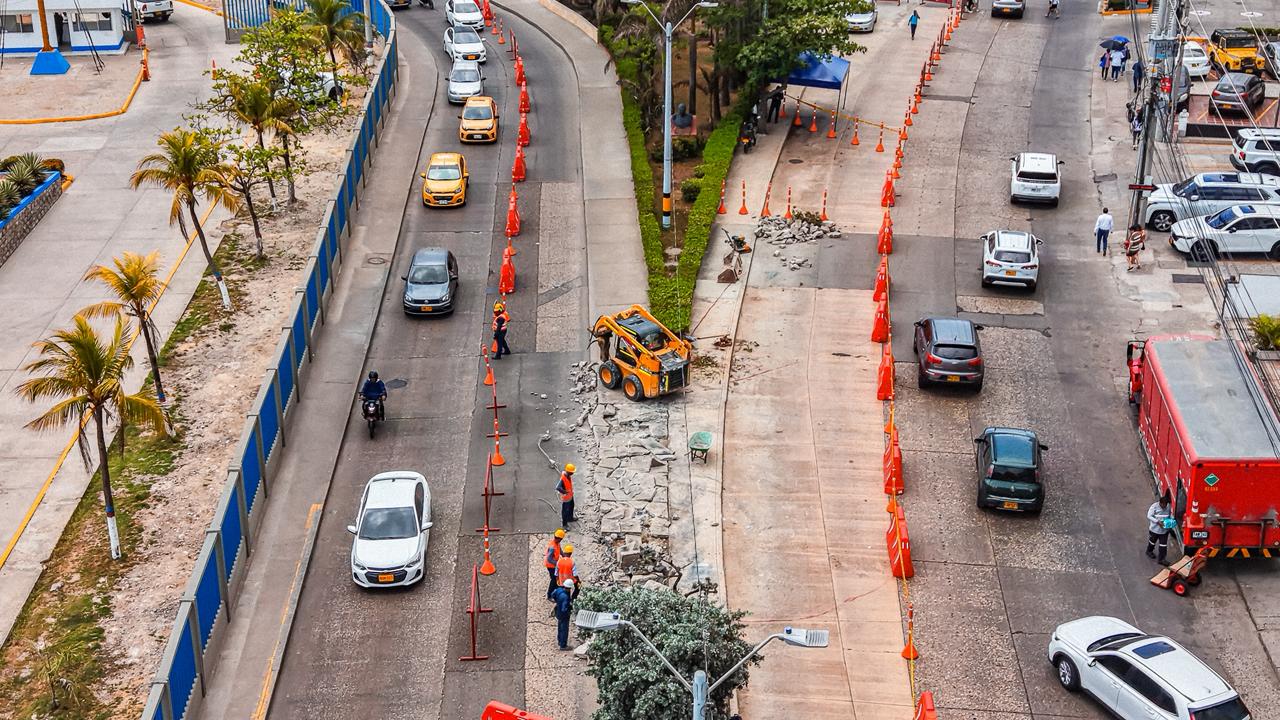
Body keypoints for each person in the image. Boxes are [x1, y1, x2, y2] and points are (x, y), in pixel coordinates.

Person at [1146, 494, 1173, 565]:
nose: (1165, 506)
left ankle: (1161, 559)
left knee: (1163, 545)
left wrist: (1170, 523)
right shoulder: (1154, 507)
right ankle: (1149, 551)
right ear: (1160, 503)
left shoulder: (1168, 506)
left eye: (1166, 505)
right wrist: (1158, 522)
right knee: (1152, 542)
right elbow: (1149, 516)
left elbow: (1170, 515)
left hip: (1164, 531)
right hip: (1154, 530)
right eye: (1163, 505)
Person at [551, 579, 574, 650]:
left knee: (560, 627)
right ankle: (563, 645)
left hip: (558, 612)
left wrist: (558, 602)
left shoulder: (558, 590)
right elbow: (564, 609)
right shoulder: (565, 597)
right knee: (564, 629)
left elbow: (552, 595)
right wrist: (569, 610)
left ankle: (559, 641)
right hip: (564, 615)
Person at [544, 528, 566, 600]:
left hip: (554, 565)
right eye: (561, 539)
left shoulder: (557, 542)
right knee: (553, 579)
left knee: (556, 577)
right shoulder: (552, 547)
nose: (561, 540)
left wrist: (564, 556)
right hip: (550, 566)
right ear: (559, 538)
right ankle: (549, 595)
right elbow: (549, 559)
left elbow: (560, 549)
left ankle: (557, 588)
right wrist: (558, 563)